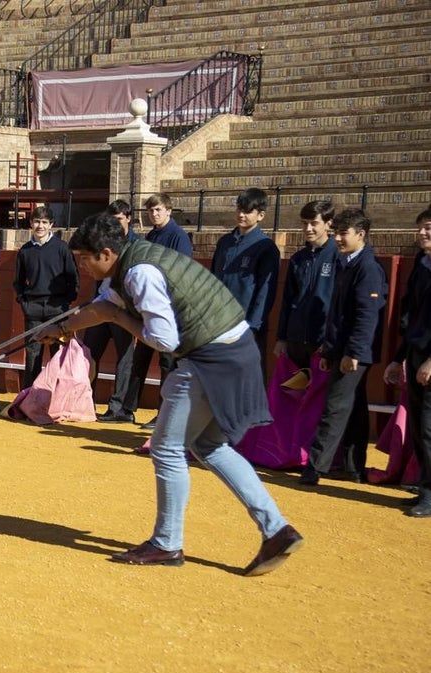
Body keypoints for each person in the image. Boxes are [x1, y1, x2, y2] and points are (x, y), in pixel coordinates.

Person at [40, 212, 302, 576]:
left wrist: (119, 319)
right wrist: (62, 328)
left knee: (166, 448)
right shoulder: (134, 260)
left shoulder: (139, 273)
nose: (81, 265)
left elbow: (164, 340)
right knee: (210, 446)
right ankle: (276, 529)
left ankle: (166, 543)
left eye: (84, 258)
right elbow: (101, 308)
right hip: (234, 350)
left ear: (105, 253)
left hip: (207, 357)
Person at [299, 209, 387, 486]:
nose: (337, 238)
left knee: (335, 406)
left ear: (360, 235)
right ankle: (353, 466)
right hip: (344, 348)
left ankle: (315, 468)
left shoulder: (367, 268)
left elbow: (366, 314)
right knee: (354, 407)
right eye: (336, 232)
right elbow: (337, 313)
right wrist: (329, 350)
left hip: (353, 351)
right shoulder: (347, 263)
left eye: (343, 233)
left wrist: (354, 353)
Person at [120, 193, 193, 429]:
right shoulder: (151, 235)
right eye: (151, 211)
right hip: (150, 308)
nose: (154, 214)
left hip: (168, 309)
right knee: (140, 359)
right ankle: (127, 409)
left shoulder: (178, 237)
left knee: (166, 364)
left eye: (159, 210)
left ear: (169, 211)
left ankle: (164, 414)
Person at [384, 206, 431, 516]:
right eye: (421, 228)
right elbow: (410, 317)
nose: (422, 233)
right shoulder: (421, 265)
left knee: (428, 426)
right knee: (418, 425)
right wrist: (399, 357)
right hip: (415, 353)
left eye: (429, 227)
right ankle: (424, 487)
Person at [210, 187, 281, 375]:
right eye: (239, 209)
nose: (241, 215)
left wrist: (252, 325)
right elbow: (213, 280)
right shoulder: (225, 242)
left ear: (260, 215)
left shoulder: (266, 247)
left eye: (247, 211)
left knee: (247, 376)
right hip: (220, 321)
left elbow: (265, 291)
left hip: (245, 325)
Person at [12, 205, 78, 389]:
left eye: (44, 222)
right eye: (36, 222)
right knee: (33, 355)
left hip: (57, 308)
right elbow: (18, 281)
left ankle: (59, 396)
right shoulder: (25, 251)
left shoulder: (62, 248)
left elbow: (73, 276)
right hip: (33, 308)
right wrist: (24, 302)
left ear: (51, 225)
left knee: (60, 354)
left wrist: (67, 302)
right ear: (31, 224)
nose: (40, 226)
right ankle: (29, 397)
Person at [87, 199, 139, 422]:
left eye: (119, 218)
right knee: (88, 353)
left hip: (123, 309)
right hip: (102, 304)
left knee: (125, 358)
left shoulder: (136, 245)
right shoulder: (104, 241)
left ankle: (117, 407)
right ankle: (85, 402)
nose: (116, 223)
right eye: (112, 219)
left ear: (128, 219)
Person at [275, 200, 340, 372]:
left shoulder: (338, 256)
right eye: (304, 224)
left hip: (322, 341)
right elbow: (288, 300)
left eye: (314, 223)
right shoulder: (298, 258)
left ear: (328, 223)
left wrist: (330, 340)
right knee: (295, 395)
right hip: (296, 340)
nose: (308, 229)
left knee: (321, 397)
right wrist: (282, 338)